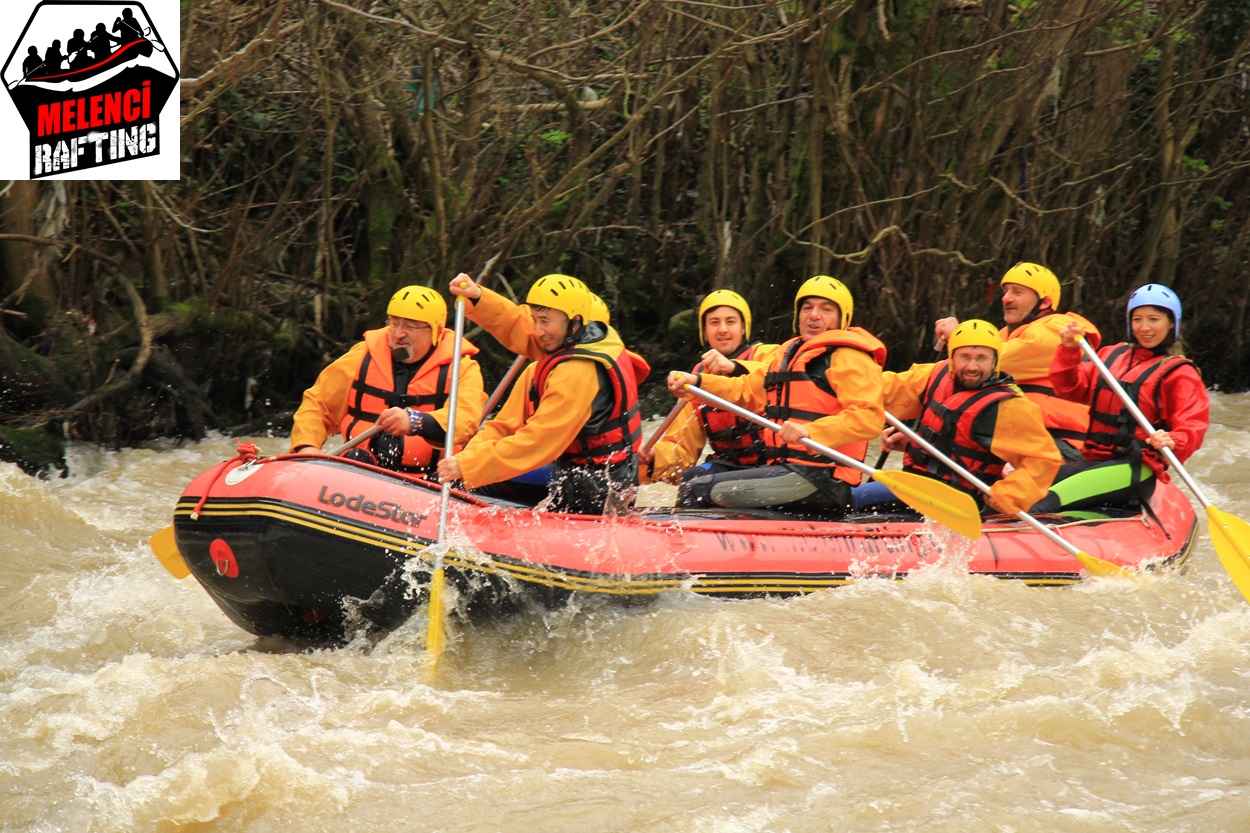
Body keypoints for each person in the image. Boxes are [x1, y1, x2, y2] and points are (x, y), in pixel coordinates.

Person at [666, 276, 886, 515]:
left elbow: (869, 418)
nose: (814, 315)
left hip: (821, 479)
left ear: (843, 319)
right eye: (807, 308)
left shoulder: (849, 356)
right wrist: (698, 383)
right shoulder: (789, 354)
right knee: (696, 478)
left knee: (697, 489)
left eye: (826, 309)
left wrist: (812, 432)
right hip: (787, 471)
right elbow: (746, 390)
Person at [437, 273, 648, 515]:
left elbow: (538, 442)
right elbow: (519, 326)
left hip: (597, 489)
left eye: (545, 321)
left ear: (575, 321)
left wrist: (468, 466)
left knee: (479, 481)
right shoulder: (587, 335)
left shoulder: (578, 372)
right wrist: (479, 298)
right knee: (474, 476)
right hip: (579, 474)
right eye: (535, 319)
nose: (538, 331)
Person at [1030, 284, 1209, 514]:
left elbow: (1193, 423)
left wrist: (1174, 440)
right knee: (1023, 491)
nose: (1144, 328)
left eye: (1154, 319)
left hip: (1133, 467)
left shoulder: (1179, 373)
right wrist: (1069, 350)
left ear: (1171, 322)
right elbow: (1069, 388)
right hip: (1093, 460)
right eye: (1137, 319)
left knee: (1041, 505)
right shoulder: (1110, 355)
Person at [867, 319, 1061, 515]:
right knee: (847, 499)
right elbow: (886, 389)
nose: (972, 366)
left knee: (855, 499)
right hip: (915, 483)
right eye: (965, 357)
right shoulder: (935, 374)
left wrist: (1013, 494)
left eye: (981, 358)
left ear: (995, 361)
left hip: (959, 501)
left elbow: (1044, 460)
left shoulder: (1010, 407)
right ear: (952, 358)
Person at [289, 285, 486, 474]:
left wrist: (415, 422)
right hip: (362, 467)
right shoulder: (361, 356)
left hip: (429, 478)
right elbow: (318, 405)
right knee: (355, 457)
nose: (399, 334)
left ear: (436, 331)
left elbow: (466, 420)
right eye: (394, 323)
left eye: (410, 326)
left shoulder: (461, 368)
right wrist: (306, 446)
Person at [935, 262, 1100, 462]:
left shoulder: (1060, 330)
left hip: (1059, 445)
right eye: (1005, 291)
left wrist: (958, 335)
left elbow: (991, 365)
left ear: (1045, 302)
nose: (1006, 298)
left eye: (1017, 292)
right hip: (1017, 439)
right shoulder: (1001, 336)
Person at [639, 289, 775, 485]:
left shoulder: (769, 354)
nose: (722, 330)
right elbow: (682, 451)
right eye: (714, 322)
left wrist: (733, 367)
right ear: (705, 331)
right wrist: (654, 459)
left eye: (731, 322)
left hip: (773, 465)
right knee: (692, 480)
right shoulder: (696, 377)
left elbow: (777, 380)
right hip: (729, 467)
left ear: (744, 328)